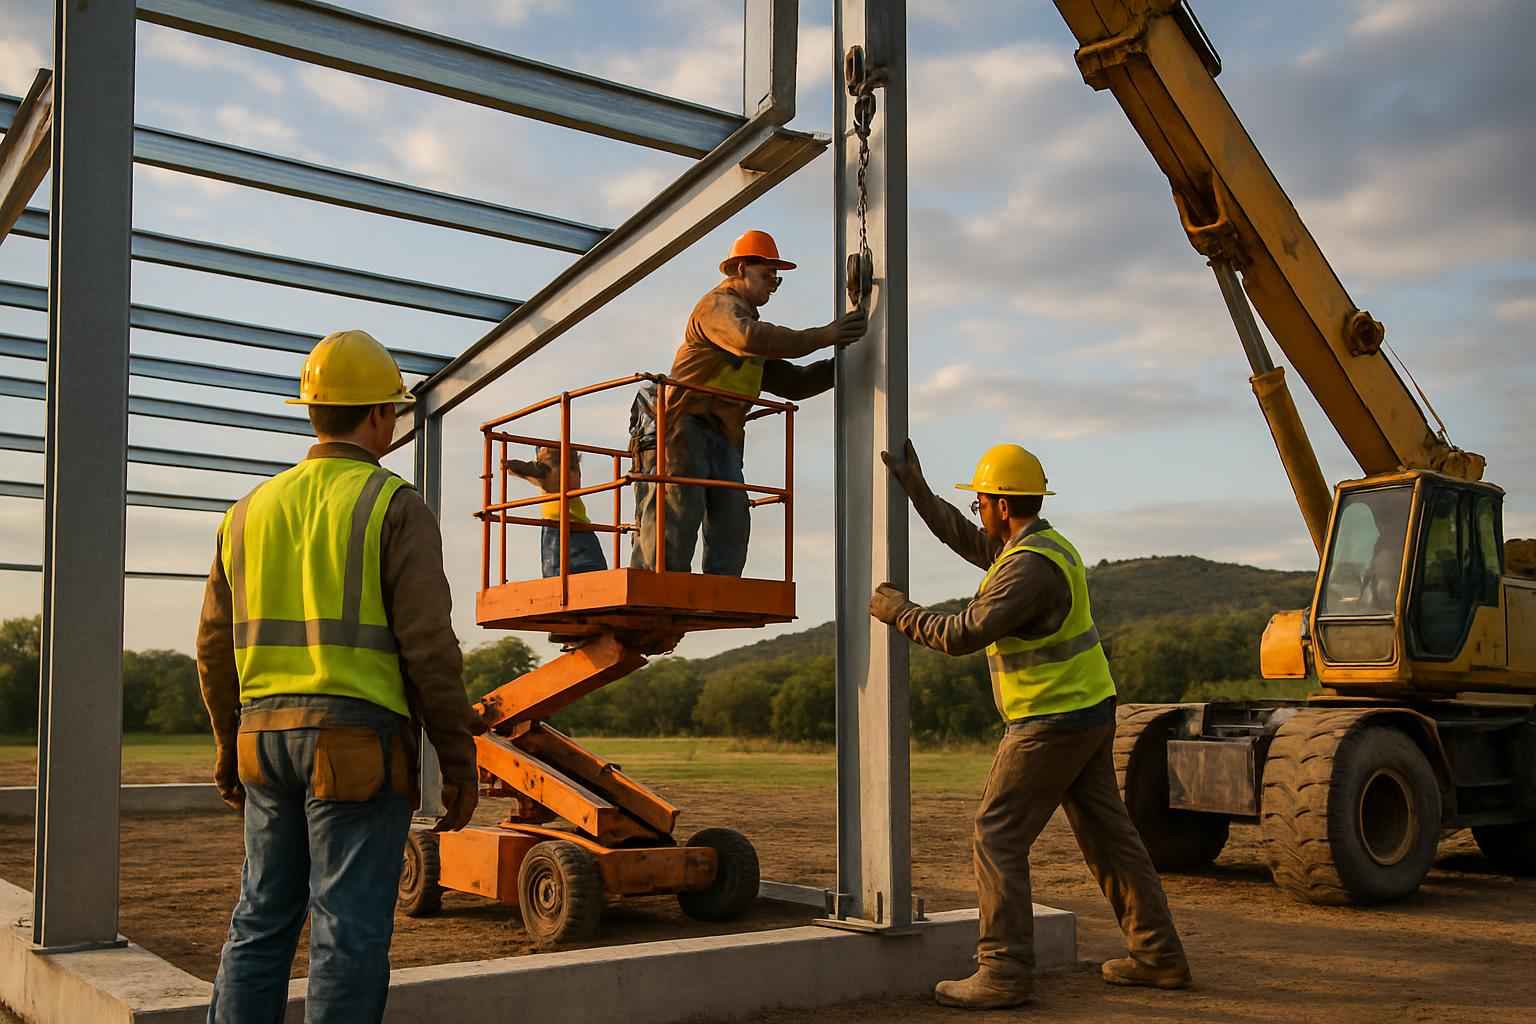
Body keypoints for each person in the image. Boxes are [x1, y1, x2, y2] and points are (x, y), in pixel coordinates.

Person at [196, 329, 483, 1024]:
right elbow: (429, 649)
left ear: (313, 412)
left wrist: (225, 748)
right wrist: (457, 757)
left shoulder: (246, 513)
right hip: (357, 749)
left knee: (260, 921)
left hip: (263, 738)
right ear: (381, 416)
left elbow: (211, 649)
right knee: (346, 934)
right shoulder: (392, 504)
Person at [869, 441, 1191, 1010]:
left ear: (999, 505)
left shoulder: (1027, 569)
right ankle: (1158, 955)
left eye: (980, 505)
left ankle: (1004, 971)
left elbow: (963, 633)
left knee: (997, 833)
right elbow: (962, 538)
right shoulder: (1038, 546)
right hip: (1085, 710)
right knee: (1109, 839)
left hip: (1051, 720)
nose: (978, 516)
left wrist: (899, 613)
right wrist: (916, 487)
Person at [630, 229, 866, 575]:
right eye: (767, 274)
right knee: (679, 506)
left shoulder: (750, 334)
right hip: (682, 425)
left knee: (732, 514)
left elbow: (793, 382)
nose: (773, 282)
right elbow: (747, 338)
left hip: (723, 433)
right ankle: (657, 584)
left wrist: (849, 365)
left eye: (777, 278)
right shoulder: (719, 307)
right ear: (740, 269)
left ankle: (719, 586)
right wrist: (823, 336)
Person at [507, 445, 609, 577]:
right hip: (581, 529)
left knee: (558, 576)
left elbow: (517, 468)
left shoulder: (548, 472)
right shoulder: (561, 473)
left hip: (559, 530)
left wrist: (507, 464)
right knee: (594, 573)